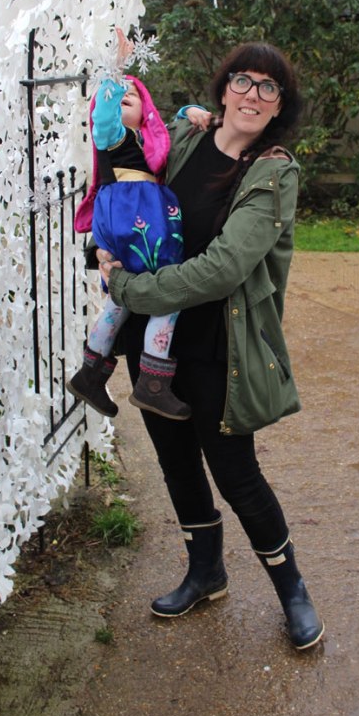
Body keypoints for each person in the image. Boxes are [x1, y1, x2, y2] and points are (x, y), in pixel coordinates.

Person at [98, 42, 325, 651]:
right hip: (153, 341)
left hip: (218, 346)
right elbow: (136, 176)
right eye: (243, 82)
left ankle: (293, 592)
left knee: (237, 473)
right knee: (174, 459)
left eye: (268, 89)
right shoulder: (188, 137)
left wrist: (128, 284)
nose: (252, 94)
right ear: (223, 90)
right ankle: (206, 571)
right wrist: (109, 244)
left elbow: (223, 268)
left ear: (278, 108)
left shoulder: (274, 173)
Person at [69, 28, 208, 421]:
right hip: (137, 222)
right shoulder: (112, 137)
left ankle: (90, 374)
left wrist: (186, 113)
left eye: (133, 96)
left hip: (137, 219)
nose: (124, 98)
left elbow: (163, 131)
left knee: (118, 303)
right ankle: (153, 383)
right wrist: (114, 70)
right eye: (117, 96)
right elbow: (104, 114)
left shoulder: (145, 142)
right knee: (169, 292)